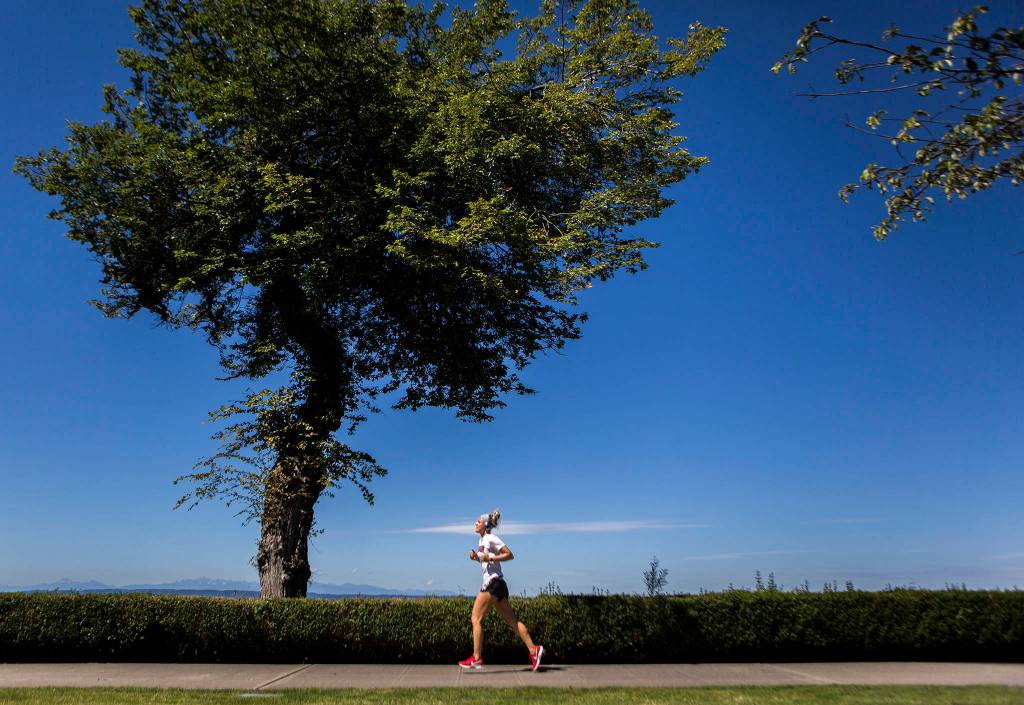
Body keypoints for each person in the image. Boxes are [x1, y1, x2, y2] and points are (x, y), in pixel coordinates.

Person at [458, 509, 544, 672]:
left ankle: (476, 658)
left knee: (476, 618)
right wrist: (476, 558)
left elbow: (509, 555)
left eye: (477, 522)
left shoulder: (491, 538)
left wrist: (490, 557)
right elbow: (487, 563)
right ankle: (534, 650)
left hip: (494, 584)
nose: (475, 524)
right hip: (498, 585)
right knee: (513, 622)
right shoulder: (482, 540)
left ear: (484, 525)